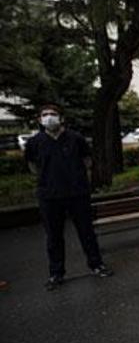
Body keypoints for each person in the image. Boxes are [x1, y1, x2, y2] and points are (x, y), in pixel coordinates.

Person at [24, 104, 113, 290]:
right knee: (53, 236)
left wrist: (76, 178)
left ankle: (96, 264)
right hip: (49, 196)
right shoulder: (34, 142)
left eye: (53, 114)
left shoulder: (75, 139)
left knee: (86, 231)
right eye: (45, 114)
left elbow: (87, 161)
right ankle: (56, 273)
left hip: (77, 193)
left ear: (61, 118)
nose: (49, 117)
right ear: (40, 120)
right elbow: (33, 166)